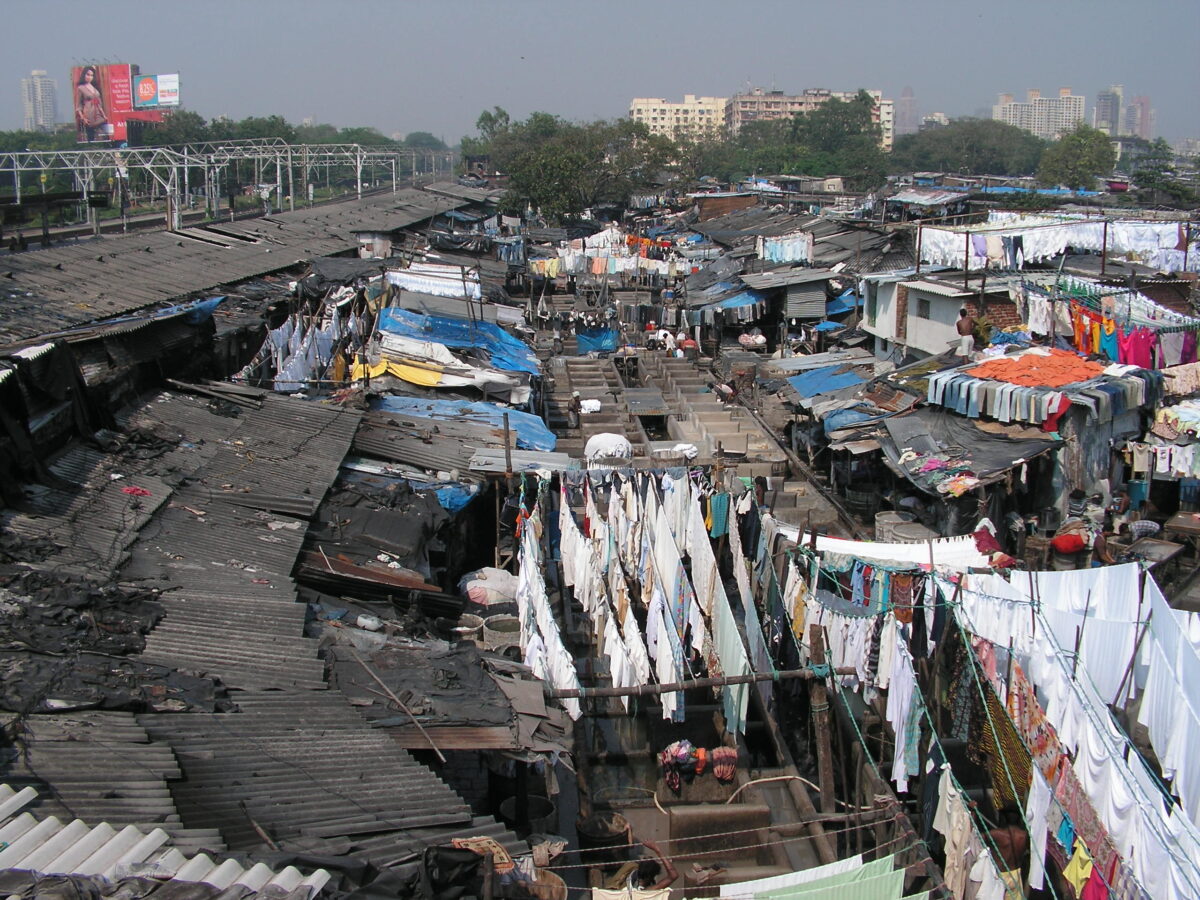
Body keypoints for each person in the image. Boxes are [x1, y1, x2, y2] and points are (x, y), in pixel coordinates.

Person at [75, 66, 107, 142]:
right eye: (88, 75)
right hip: (89, 117)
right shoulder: (81, 88)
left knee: (102, 137)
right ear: (84, 75)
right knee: (91, 138)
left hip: (99, 116)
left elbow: (99, 104)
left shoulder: (94, 88)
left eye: (91, 75)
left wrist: (104, 116)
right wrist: (83, 118)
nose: (90, 77)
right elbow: (78, 106)